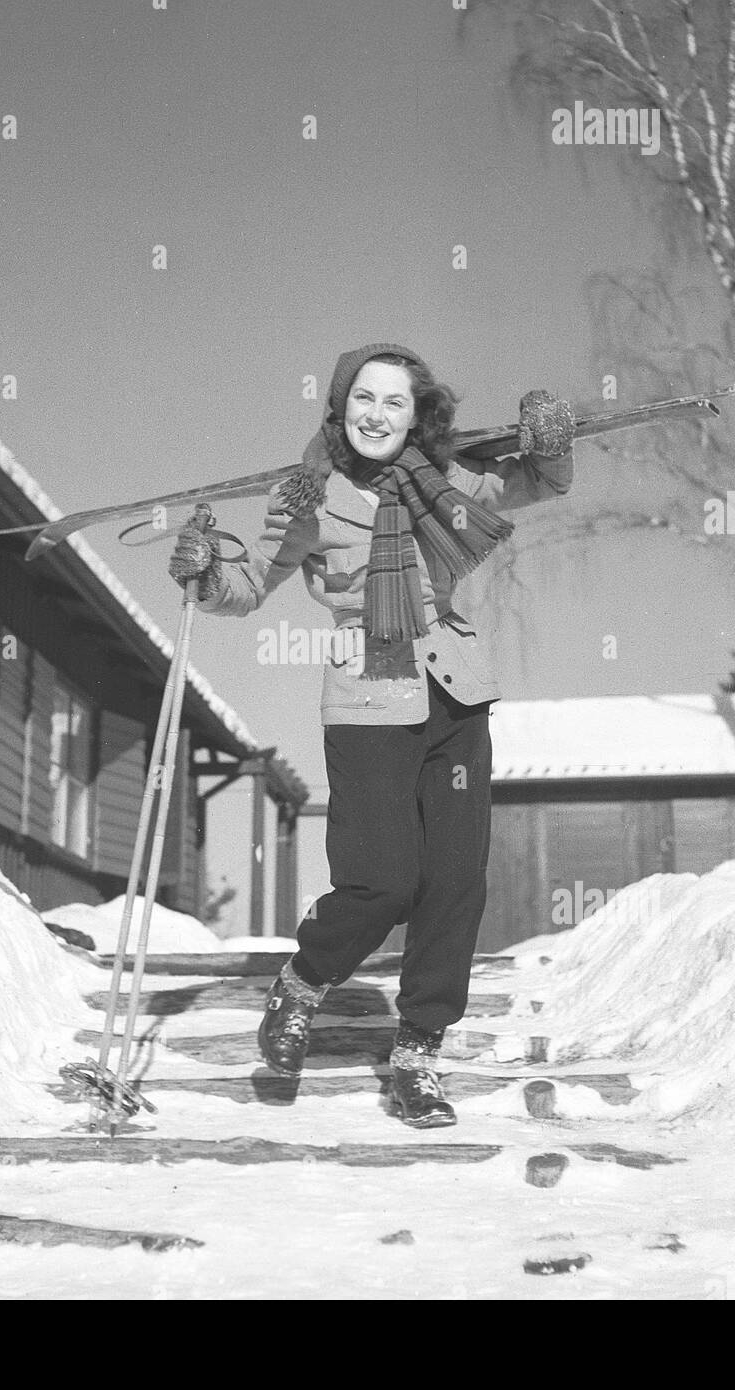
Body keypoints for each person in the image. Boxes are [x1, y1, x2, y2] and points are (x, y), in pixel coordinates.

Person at [168, 343, 574, 1127]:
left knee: (455, 882)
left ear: (417, 413)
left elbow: (541, 481)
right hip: (368, 692)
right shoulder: (308, 496)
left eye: (395, 402)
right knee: (383, 880)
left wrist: (550, 438)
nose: (377, 414)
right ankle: (301, 985)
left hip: (454, 692)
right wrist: (206, 571)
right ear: (340, 408)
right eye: (364, 399)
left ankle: (419, 1054)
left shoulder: (451, 482)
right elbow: (249, 582)